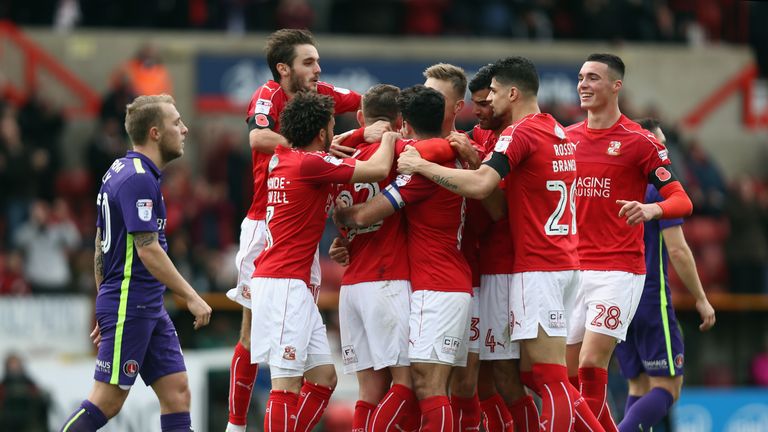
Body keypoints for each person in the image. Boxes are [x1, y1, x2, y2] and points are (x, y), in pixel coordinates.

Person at [396, 56, 604, 432]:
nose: (488, 102)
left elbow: (483, 187)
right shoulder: (556, 131)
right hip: (558, 261)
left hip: (533, 265)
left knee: (547, 376)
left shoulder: (517, 134)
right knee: (524, 375)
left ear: (512, 93)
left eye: (492, 93)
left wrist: (422, 166)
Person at [224, 28, 364, 432]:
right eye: (309, 62)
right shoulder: (268, 95)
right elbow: (257, 136)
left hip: (302, 238)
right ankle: (236, 425)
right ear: (284, 69)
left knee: (318, 372)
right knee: (251, 334)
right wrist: (308, 146)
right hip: (265, 225)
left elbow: (365, 102)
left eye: (318, 61)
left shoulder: (320, 93)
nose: (318, 69)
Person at [59, 94, 212, 432]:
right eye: (176, 123)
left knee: (177, 392)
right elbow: (148, 249)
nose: (185, 129)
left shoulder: (121, 170)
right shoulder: (138, 178)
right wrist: (191, 295)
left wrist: (103, 299)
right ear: (155, 133)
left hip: (145, 303)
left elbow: (100, 242)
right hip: (130, 302)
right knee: (107, 400)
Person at [249, 91, 396, 432]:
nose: (335, 132)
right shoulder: (310, 165)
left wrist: (361, 133)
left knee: (324, 378)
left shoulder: (286, 157)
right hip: (284, 283)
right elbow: (377, 169)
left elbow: (335, 146)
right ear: (321, 133)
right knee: (286, 385)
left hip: (288, 282)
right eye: (331, 126)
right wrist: (389, 137)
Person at [564, 53, 693, 432]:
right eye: (581, 77)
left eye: (593, 78)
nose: (583, 85)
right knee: (564, 375)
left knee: (590, 364)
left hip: (619, 271)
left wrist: (652, 209)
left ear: (616, 85)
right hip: (572, 269)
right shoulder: (566, 138)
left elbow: (681, 199)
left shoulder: (640, 141)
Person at [336, 85, 472, 432]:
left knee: (374, 391)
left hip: (354, 284)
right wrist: (457, 144)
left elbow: (356, 213)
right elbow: (436, 147)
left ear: (362, 117)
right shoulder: (407, 156)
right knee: (413, 385)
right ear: (399, 123)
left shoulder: (344, 154)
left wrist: (341, 222)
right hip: (389, 281)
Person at [614, 118, 715, 432]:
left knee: (638, 384)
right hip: (649, 296)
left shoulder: (614, 184)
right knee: (669, 387)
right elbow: (679, 250)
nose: (664, 153)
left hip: (614, 297)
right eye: (658, 145)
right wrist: (701, 298)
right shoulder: (657, 190)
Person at [467, 63, 537, 432]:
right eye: (477, 102)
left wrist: (470, 161)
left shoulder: (516, 139)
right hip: (481, 268)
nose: (481, 109)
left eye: (487, 100)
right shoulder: (480, 134)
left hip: (507, 269)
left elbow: (496, 208)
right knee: (485, 381)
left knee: (515, 375)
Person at [0, 353, 50, 431]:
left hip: (29, 422)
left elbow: (39, 399)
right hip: (7, 424)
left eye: (16, 364)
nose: (14, 367)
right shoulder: (4, 385)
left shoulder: (29, 383)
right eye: (12, 364)